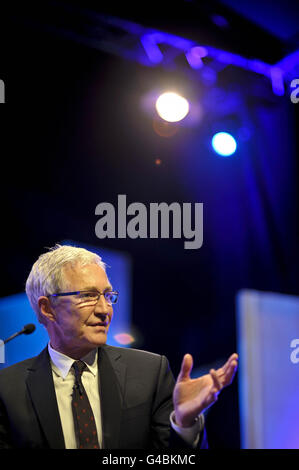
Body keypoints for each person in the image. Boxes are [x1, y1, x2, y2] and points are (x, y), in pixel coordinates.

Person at [0, 245, 238, 449]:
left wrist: (184, 423)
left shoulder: (149, 372)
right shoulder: (7, 389)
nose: (105, 309)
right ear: (47, 308)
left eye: (108, 295)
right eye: (88, 296)